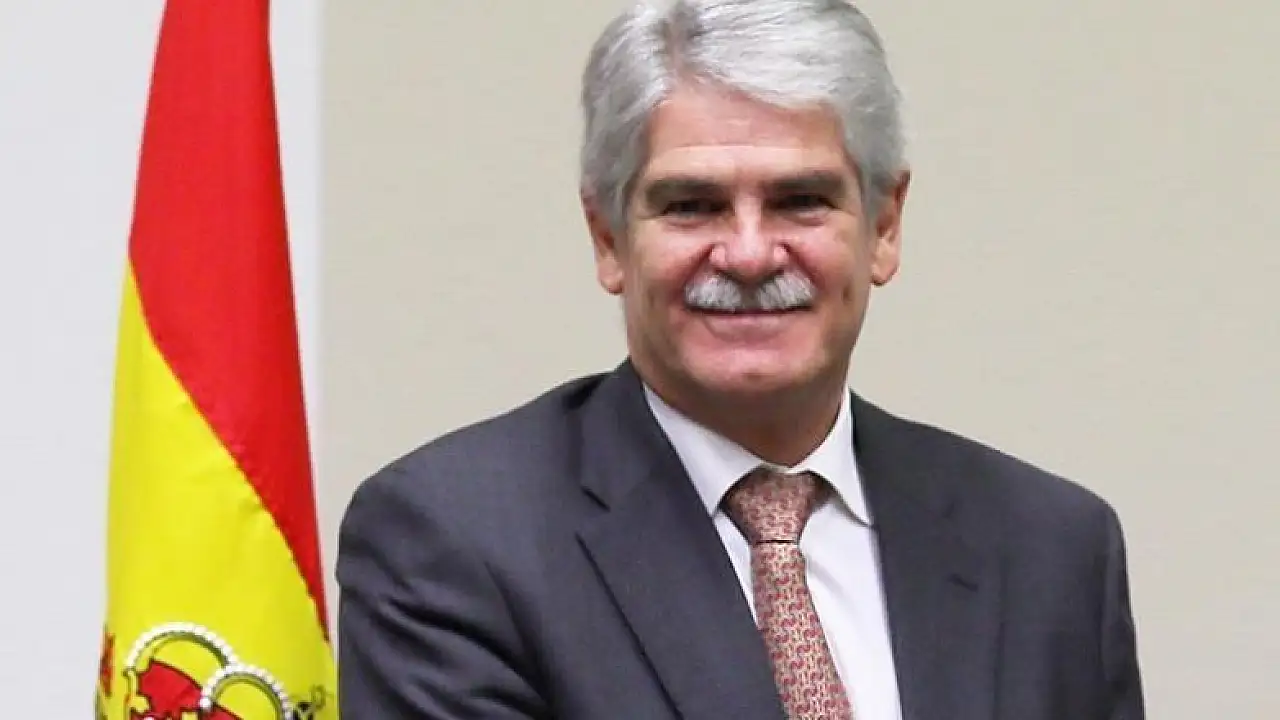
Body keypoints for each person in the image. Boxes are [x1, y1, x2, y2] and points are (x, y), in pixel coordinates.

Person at [335, 0, 1145, 718]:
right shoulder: (455, 542)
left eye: (801, 201)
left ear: (884, 227)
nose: (750, 255)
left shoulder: (1049, 549)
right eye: (692, 206)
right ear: (608, 238)